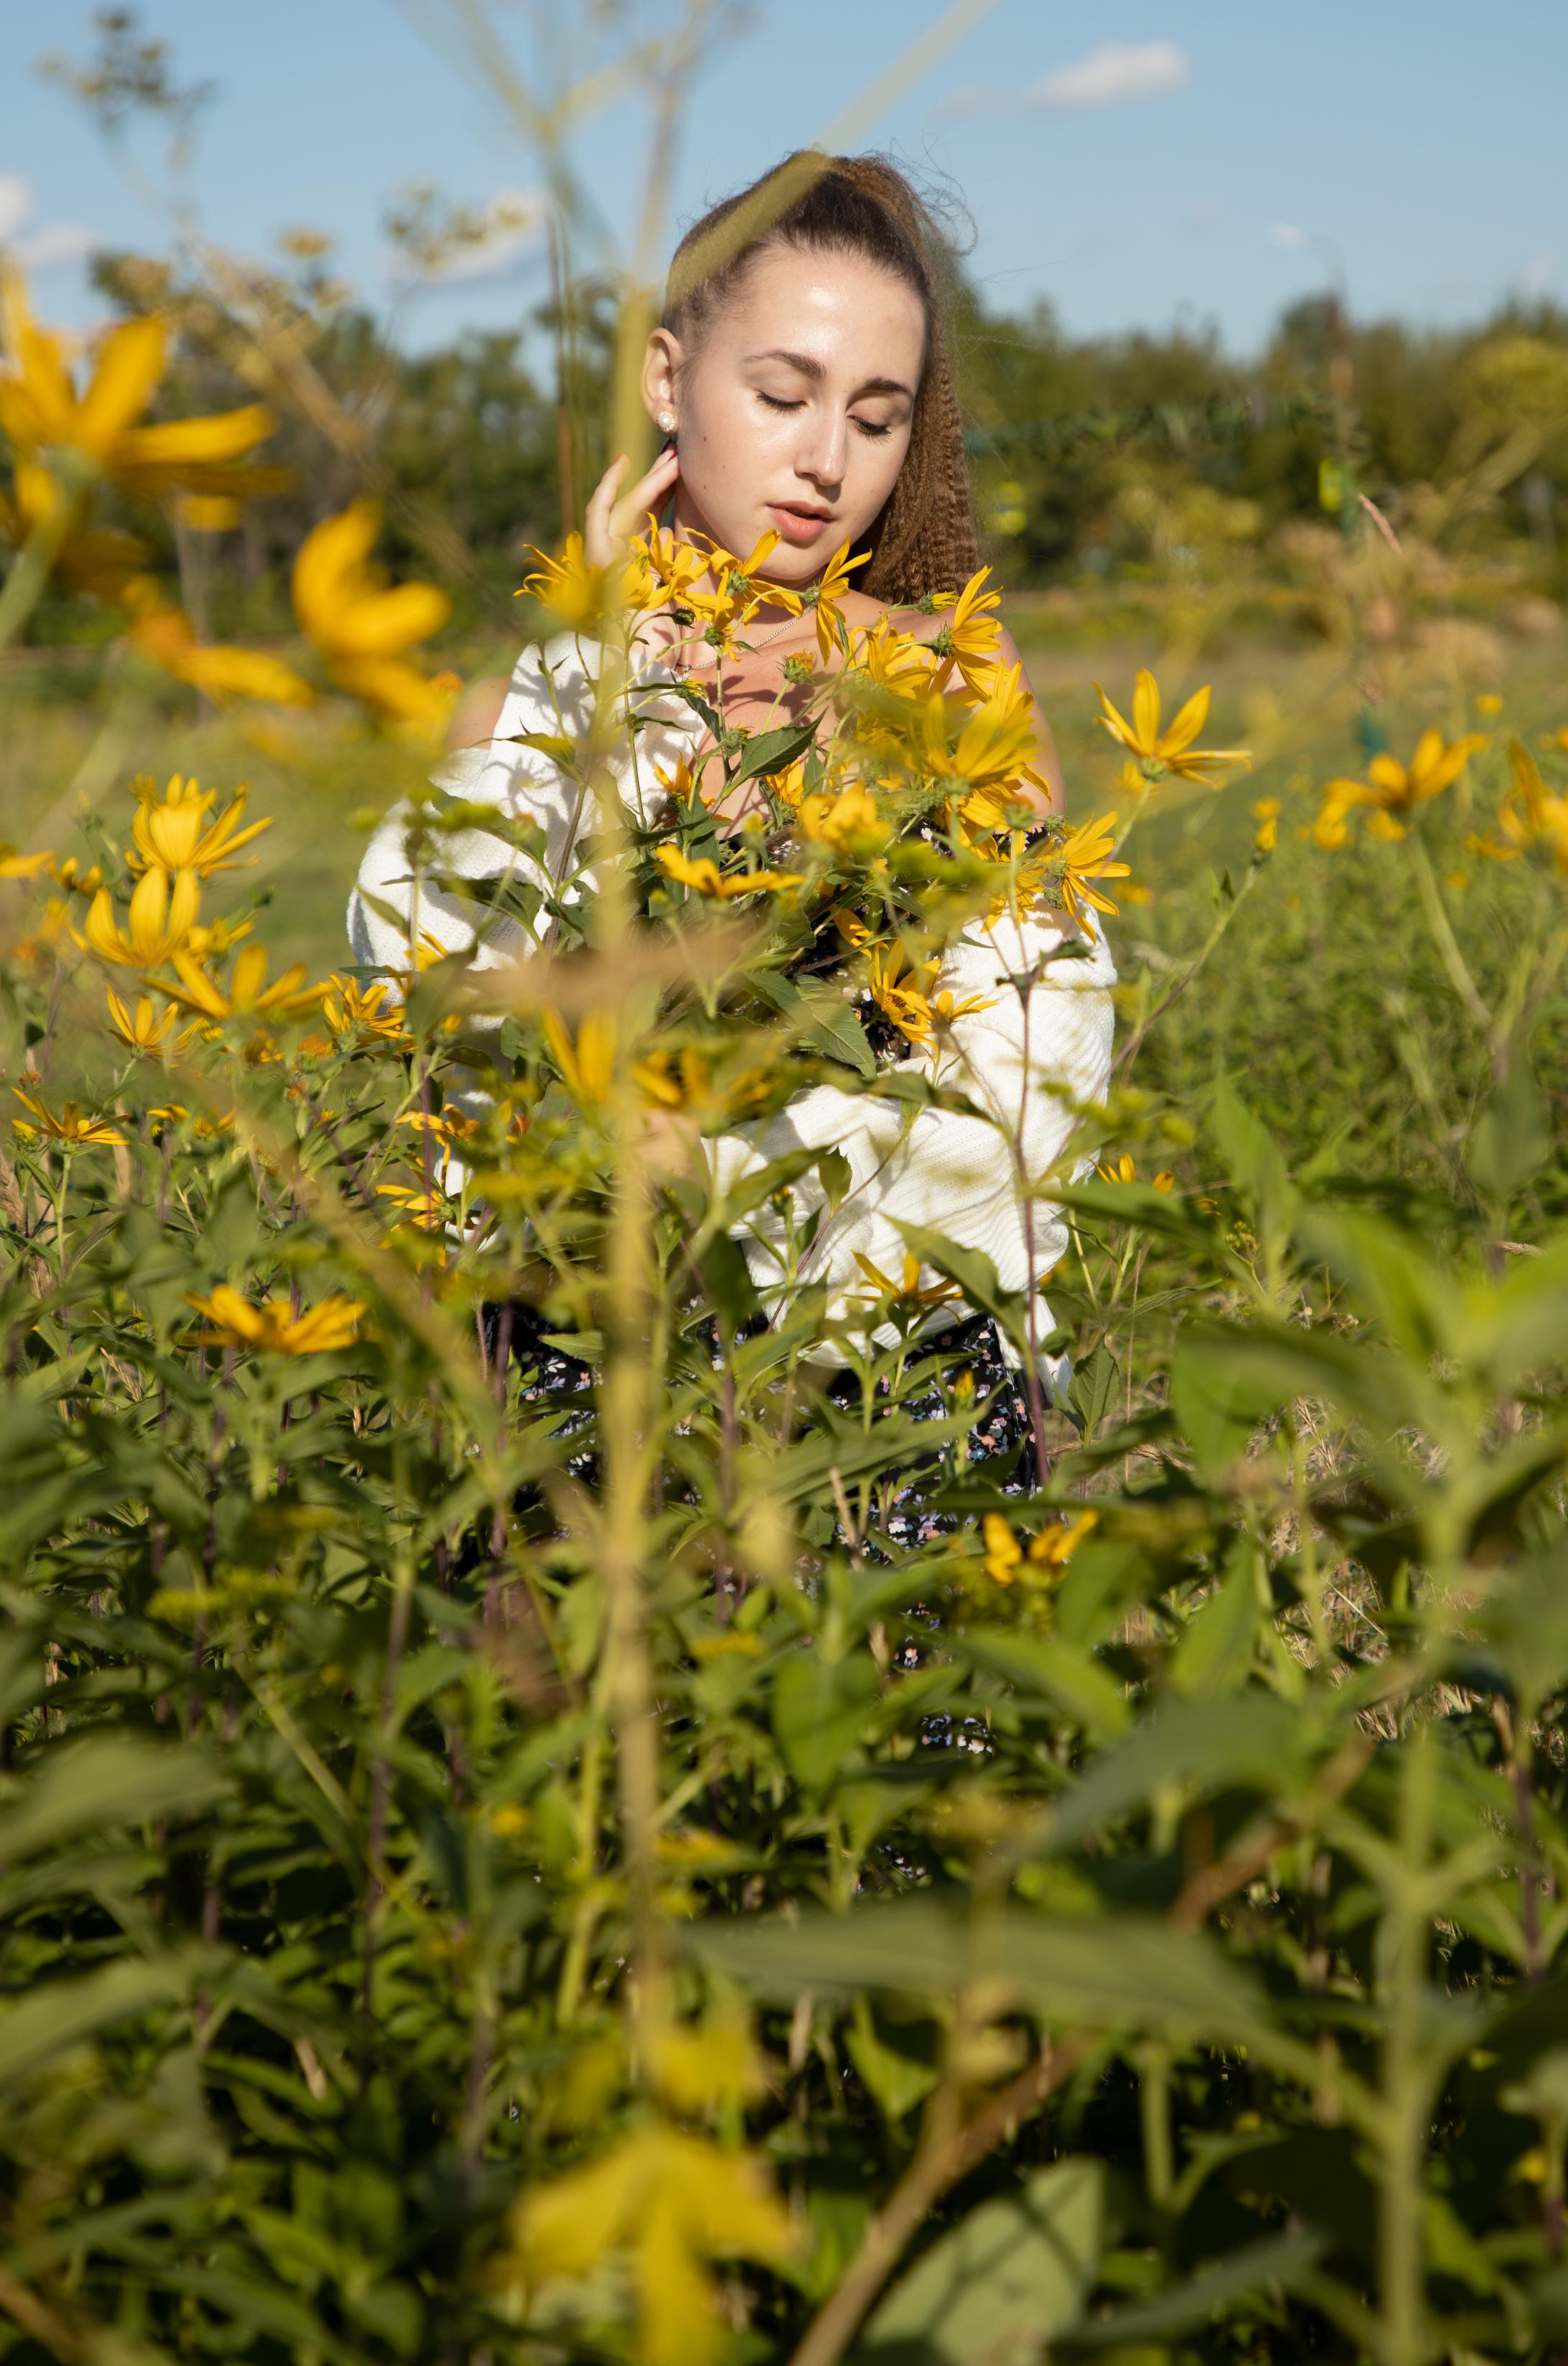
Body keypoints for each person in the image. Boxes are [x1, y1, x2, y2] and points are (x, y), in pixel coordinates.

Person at [347, 152, 1116, 1473]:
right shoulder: (533, 690)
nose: (825, 462)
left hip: (896, 1370)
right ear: (664, 381)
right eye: (780, 395)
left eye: (876, 421)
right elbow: (441, 1009)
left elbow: (1040, 1059)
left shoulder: (951, 675)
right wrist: (605, 669)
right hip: (595, 1353)